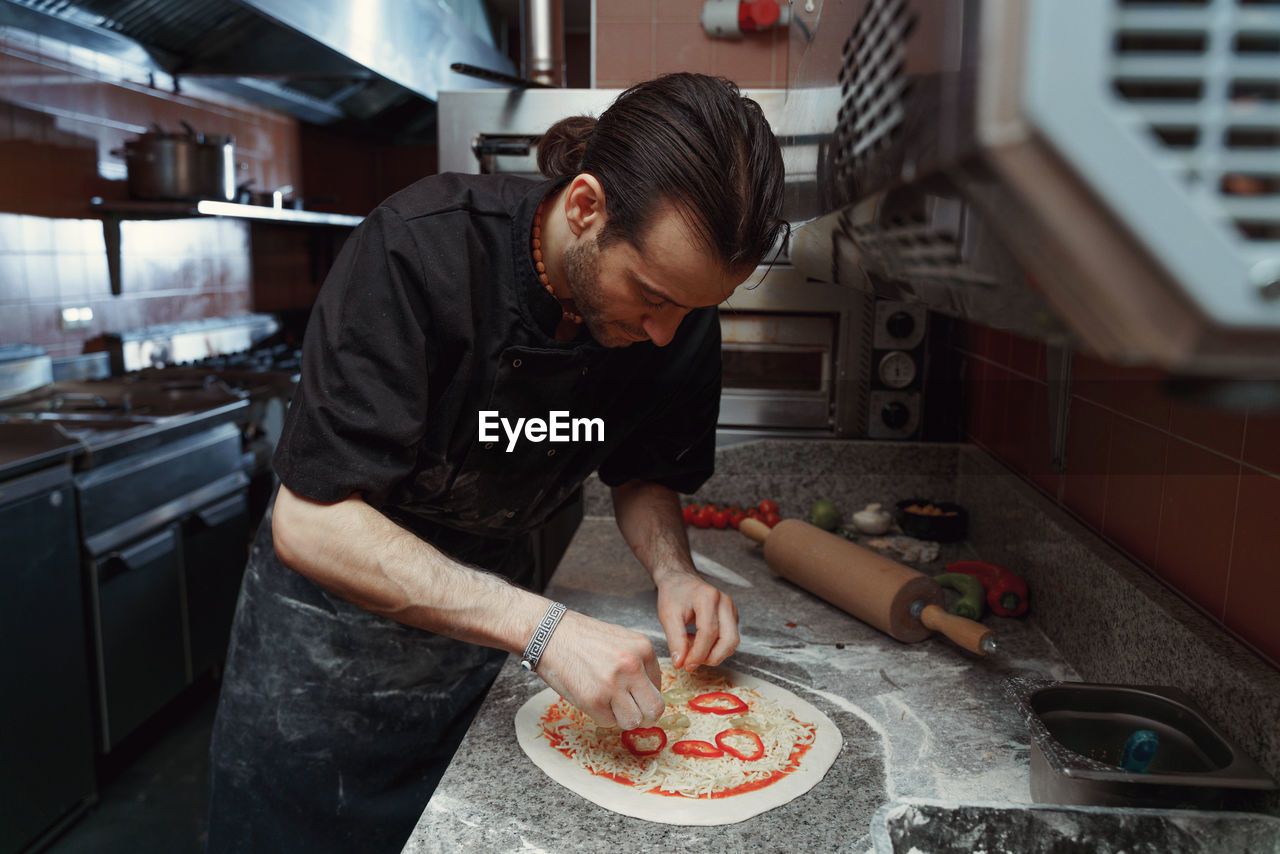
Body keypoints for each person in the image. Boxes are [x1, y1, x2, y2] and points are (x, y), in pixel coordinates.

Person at [205, 72, 787, 853]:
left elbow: (643, 470)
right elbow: (310, 523)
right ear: (585, 208)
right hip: (325, 666)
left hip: (484, 650)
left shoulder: (672, 317)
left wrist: (672, 569)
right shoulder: (420, 247)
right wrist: (543, 629)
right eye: (650, 295)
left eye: (691, 310)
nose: (663, 333)